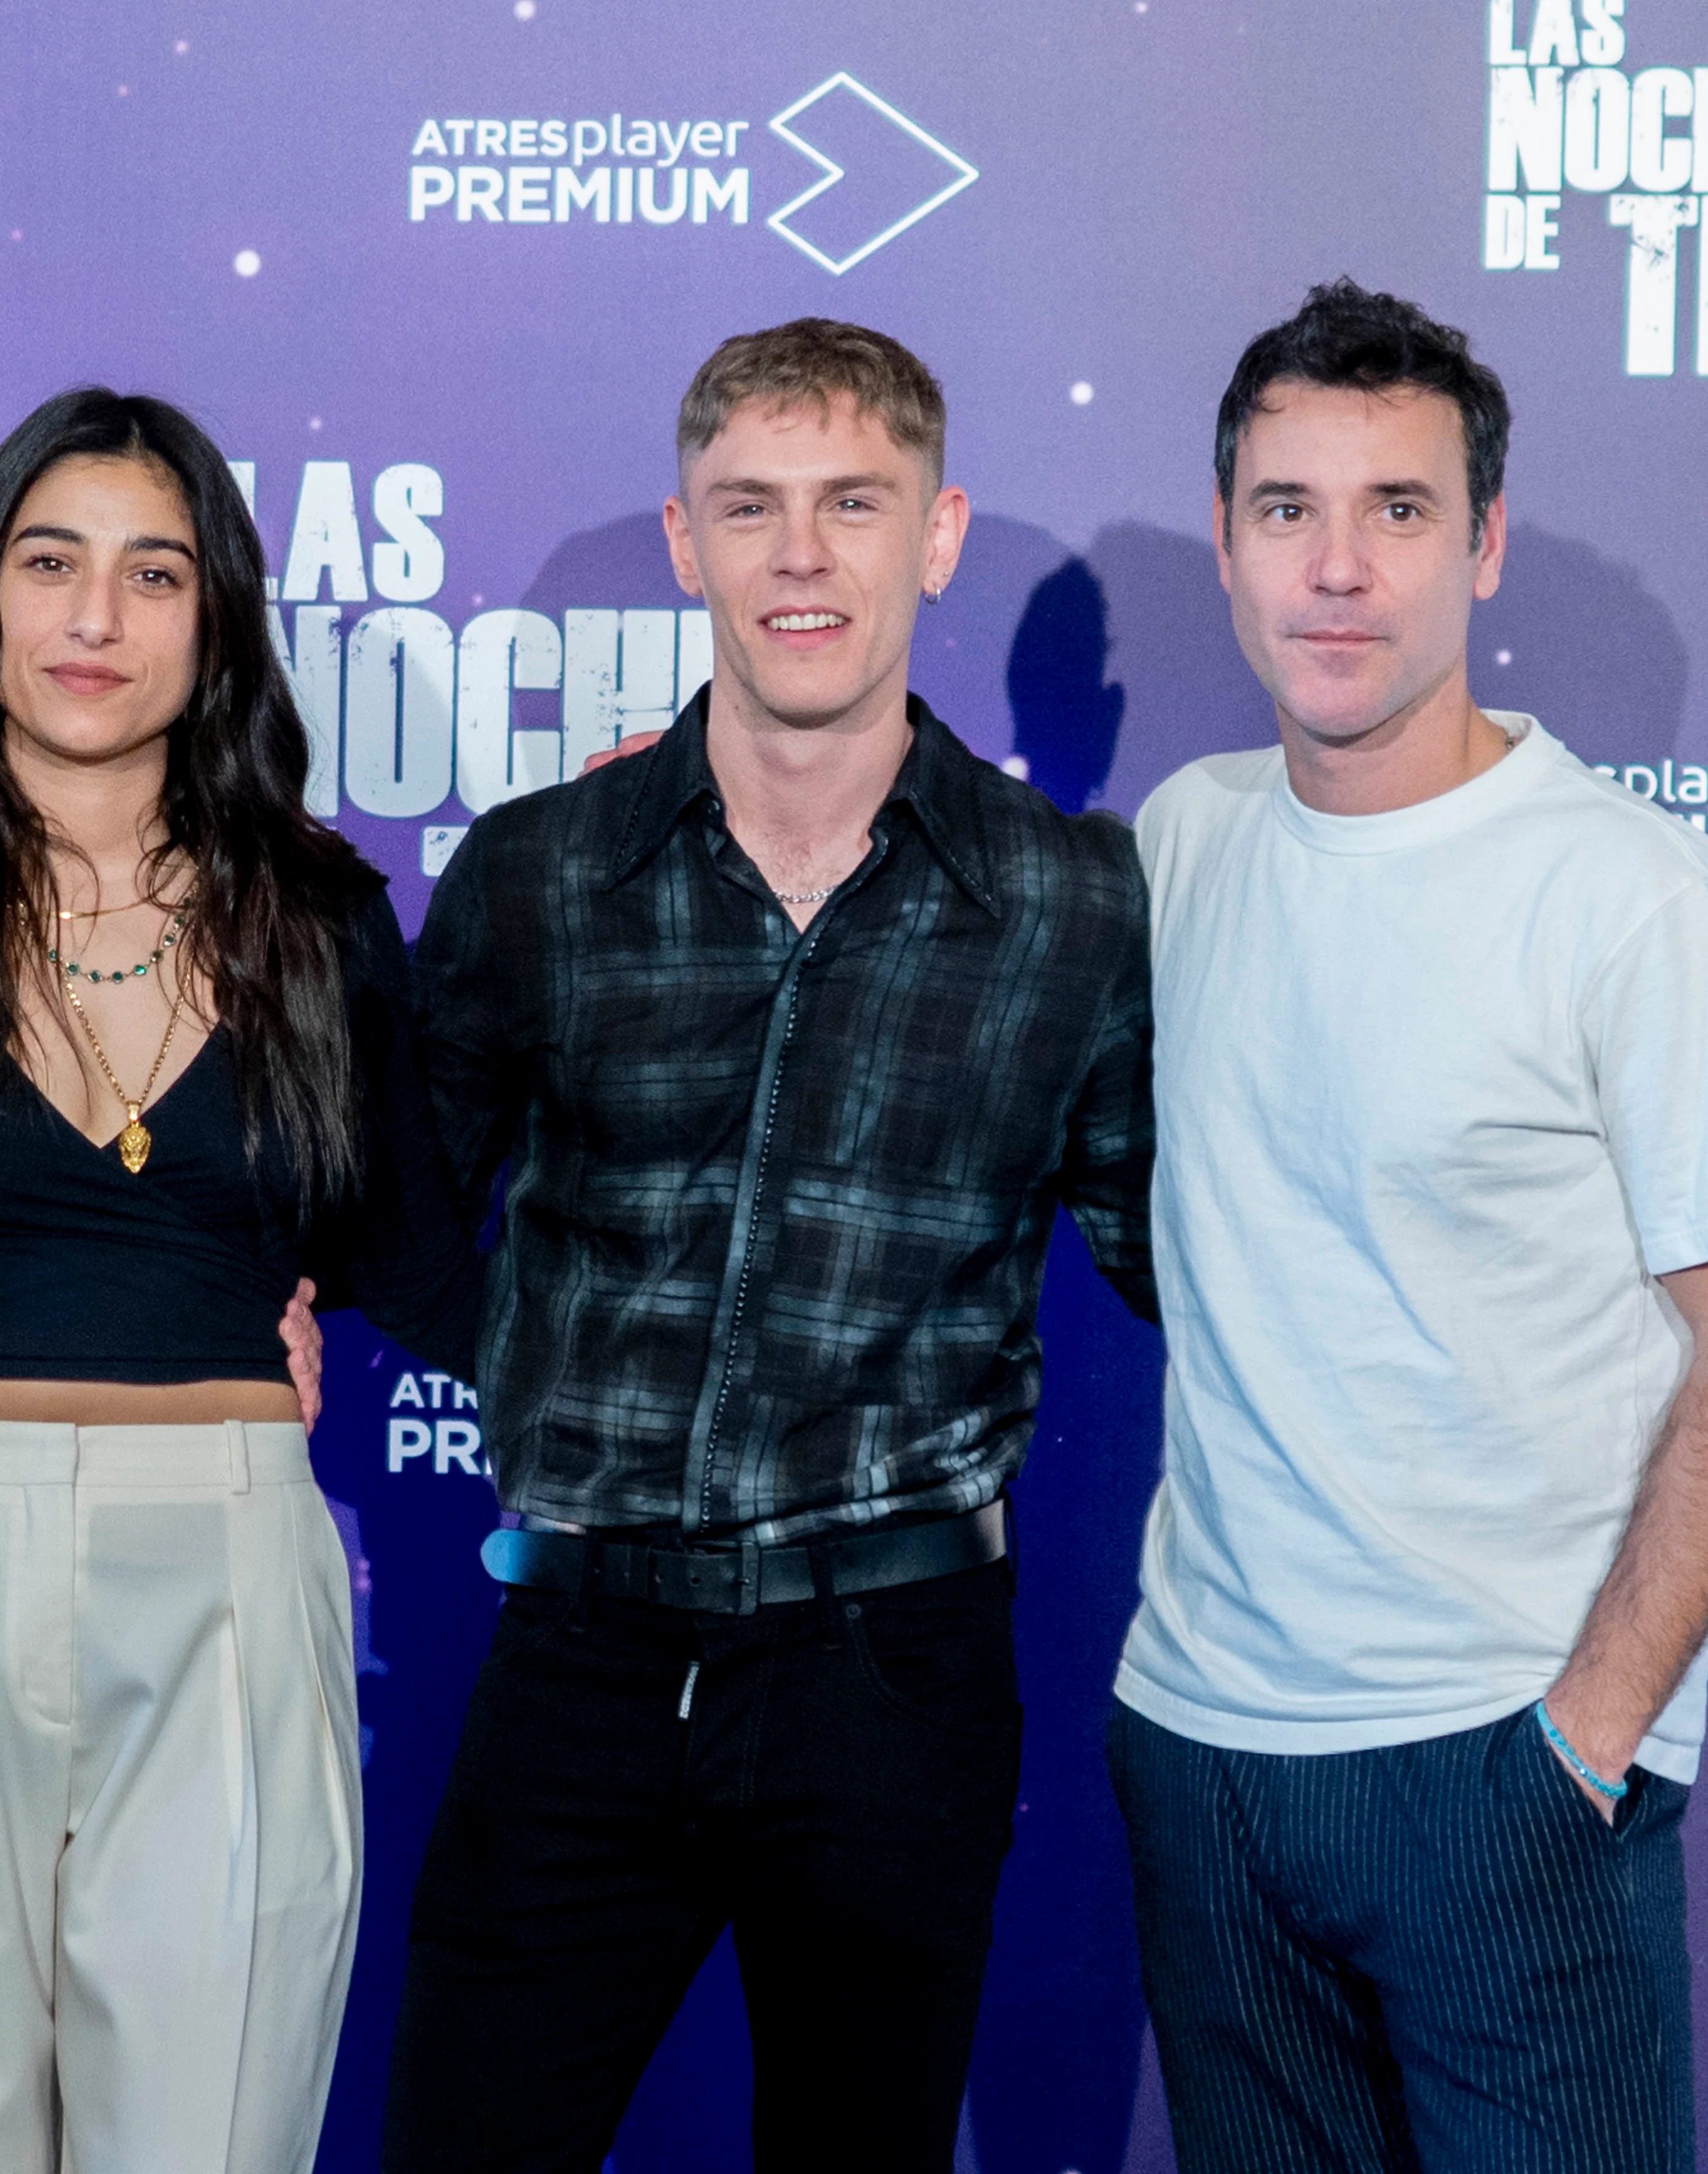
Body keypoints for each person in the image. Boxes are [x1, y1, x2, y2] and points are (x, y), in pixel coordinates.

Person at [381, 319, 1160, 2174]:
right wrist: (560, 1374)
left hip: (890, 1668)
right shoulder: (539, 870)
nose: (799, 556)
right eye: (751, 508)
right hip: (576, 1654)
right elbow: (398, 1207)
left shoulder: (1065, 900)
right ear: (685, 541)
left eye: (850, 506)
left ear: (936, 533)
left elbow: (1179, 1251)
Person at [0, 386, 484, 2173]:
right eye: (50, 564)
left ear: (213, 625)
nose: (93, 619)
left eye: (153, 574)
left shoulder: (329, 929)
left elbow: (425, 1264)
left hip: (227, 1560)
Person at [1109, 280, 1708, 2174]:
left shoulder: (1626, 895)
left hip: (1501, 1765)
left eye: (1399, 512)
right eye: (1287, 511)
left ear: (1484, 544)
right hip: (1204, 1756)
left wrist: (1582, 1743)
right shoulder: (1176, 841)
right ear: (1224, 541)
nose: (1336, 571)